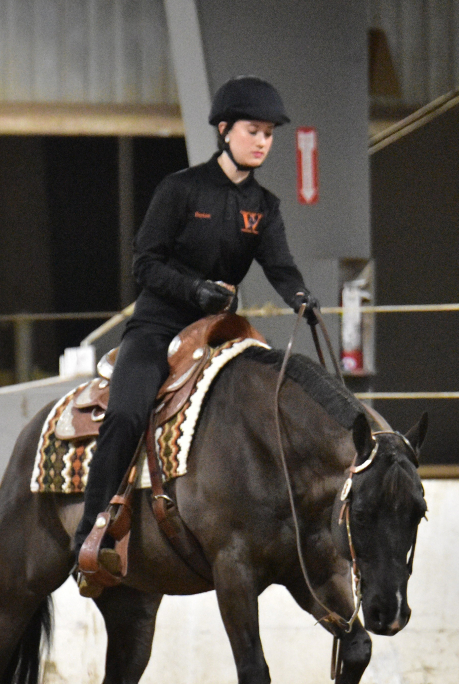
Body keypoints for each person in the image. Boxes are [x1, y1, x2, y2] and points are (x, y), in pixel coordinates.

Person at [74, 75, 319, 596]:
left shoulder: (266, 206)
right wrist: (193, 290)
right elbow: (145, 263)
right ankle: (88, 532)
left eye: (269, 134)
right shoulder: (181, 189)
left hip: (218, 331)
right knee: (124, 411)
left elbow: (280, 265)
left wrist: (300, 298)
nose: (263, 142)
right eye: (254, 131)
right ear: (225, 129)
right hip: (159, 326)